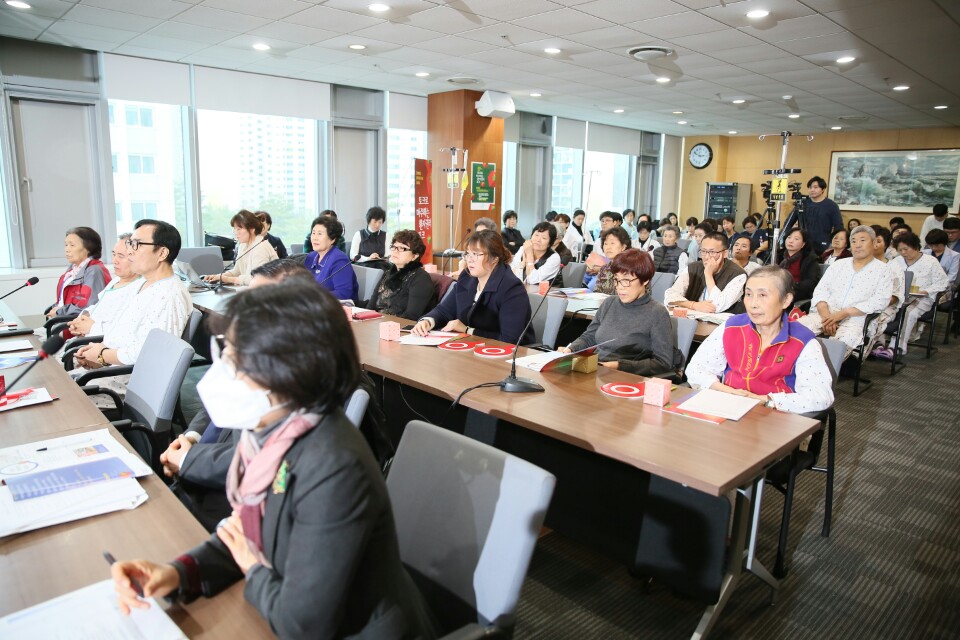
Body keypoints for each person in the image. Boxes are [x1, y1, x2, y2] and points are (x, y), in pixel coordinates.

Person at [112, 281, 436, 639]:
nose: (223, 371)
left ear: (289, 370)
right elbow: (245, 534)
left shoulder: (333, 466)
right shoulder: (273, 436)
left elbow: (303, 626)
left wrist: (253, 569)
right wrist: (178, 574)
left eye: (236, 359)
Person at [686, 266, 834, 414]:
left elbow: (820, 396)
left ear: (786, 300)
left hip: (776, 417)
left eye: (763, 295)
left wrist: (764, 400)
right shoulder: (732, 327)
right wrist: (726, 391)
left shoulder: (802, 341)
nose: (753, 304)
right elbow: (696, 369)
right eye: (748, 294)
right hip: (728, 406)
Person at [72, 220, 192, 397]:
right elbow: (125, 335)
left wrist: (103, 355)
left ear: (162, 253)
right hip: (110, 372)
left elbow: (152, 355)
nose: (129, 251)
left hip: (126, 386)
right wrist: (97, 354)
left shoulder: (168, 295)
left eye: (136, 244)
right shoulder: (144, 284)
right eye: (130, 243)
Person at [560, 249, 682, 376]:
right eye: (617, 280)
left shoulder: (657, 313)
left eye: (626, 280)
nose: (620, 286)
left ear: (645, 280)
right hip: (596, 370)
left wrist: (619, 365)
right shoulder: (609, 303)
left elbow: (663, 362)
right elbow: (590, 336)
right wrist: (571, 349)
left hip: (626, 378)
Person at [413, 229, 533, 345]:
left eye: (476, 254)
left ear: (494, 259)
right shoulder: (467, 277)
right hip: (472, 347)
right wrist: (428, 321)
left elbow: (509, 340)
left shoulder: (511, 289)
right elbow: (444, 310)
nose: (469, 260)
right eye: (468, 254)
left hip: (508, 356)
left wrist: (467, 330)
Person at [797, 226, 892, 357]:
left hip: (856, 319)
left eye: (862, 240)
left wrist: (844, 313)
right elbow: (820, 291)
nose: (857, 245)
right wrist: (827, 318)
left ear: (874, 243)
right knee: (796, 330)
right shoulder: (838, 265)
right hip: (826, 313)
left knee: (838, 346)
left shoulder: (883, 270)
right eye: (853, 241)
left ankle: (822, 374)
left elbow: (880, 301)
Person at [885, 232, 951, 355]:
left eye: (906, 249)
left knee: (909, 312)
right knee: (882, 309)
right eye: (900, 250)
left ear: (915, 246)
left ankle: (897, 346)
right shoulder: (896, 261)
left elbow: (943, 282)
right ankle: (878, 343)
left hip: (921, 298)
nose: (903, 253)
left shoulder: (930, 261)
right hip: (898, 297)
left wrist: (926, 291)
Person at [66, 233, 142, 338]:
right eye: (114, 254)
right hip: (85, 338)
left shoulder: (141, 288)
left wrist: (92, 327)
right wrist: (81, 319)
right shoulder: (116, 281)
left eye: (121, 256)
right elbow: (98, 306)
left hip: (100, 344)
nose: (115, 261)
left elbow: (125, 329)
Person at [664, 232, 746, 313]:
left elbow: (717, 306)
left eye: (712, 252)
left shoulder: (738, 275)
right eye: (703, 251)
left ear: (725, 254)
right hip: (694, 319)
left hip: (723, 323)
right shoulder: (693, 267)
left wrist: (708, 275)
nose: (706, 257)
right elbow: (670, 295)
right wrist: (693, 305)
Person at [368, 230, 435, 319]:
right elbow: (371, 305)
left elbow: (411, 316)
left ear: (415, 256)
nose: (395, 251)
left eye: (402, 248)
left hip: (396, 328)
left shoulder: (420, 279)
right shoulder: (388, 272)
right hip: (376, 323)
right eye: (394, 247)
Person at [48, 226, 111, 318]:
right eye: (66, 245)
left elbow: (89, 308)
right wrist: (55, 308)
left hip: (77, 327)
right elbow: (64, 300)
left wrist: (60, 311)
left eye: (72, 245)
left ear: (88, 248)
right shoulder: (73, 268)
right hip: (63, 322)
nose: (67, 249)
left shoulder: (94, 271)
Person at [203, 210, 278, 286]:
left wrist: (227, 279)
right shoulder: (243, 245)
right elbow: (237, 271)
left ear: (252, 229)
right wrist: (219, 276)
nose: (236, 233)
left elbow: (256, 279)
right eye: (234, 229)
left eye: (239, 229)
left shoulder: (261, 247)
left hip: (269, 293)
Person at [866, 226, 906, 360]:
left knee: (869, 320)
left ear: (887, 244)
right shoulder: (860, 263)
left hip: (885, 307)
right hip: (859, 304)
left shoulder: (894, 267)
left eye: (878, 241)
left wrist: (873, 304)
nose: (874, 244)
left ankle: (860, 353)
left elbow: (895, 297)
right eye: (871, 240)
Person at [304, 215, 359, 301]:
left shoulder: (339, 260)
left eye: (319, 234)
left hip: (337, 308)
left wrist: (314, 296)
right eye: (313, 233)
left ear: (332, 239)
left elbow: (343, 293)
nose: (315, 238)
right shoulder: (311, 257)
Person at [797, 176, 843, 254]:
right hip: (803, 244)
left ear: (823, 189)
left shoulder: (831, 205)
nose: (812, 190)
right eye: (810, 187)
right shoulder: (802, 204)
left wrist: (833, 243)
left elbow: (838, 226)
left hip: (822, 245)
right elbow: (788, 223)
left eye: (815, 187)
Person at [585, 226, 631, 294]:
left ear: (624, 246)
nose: (608, 247)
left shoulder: (630, 267)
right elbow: (597, 292)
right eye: (605, 244)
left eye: (612, 243)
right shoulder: (604, 268)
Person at [778, 228, 821, 300]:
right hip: (776, 290)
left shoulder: (809, 260)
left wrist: (789, 287)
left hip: (796, 293)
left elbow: (811, 283)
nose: (791, 241)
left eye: (796, 239)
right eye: (789, 237)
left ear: (803, 244)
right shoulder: (778, 256)